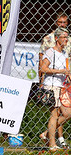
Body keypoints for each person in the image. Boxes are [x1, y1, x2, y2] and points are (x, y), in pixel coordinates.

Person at [39, 12, 71, 146]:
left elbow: (67, 69)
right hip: (51, 85)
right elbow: (43, 68)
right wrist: (60, 71)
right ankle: (52, 144)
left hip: (62, 85)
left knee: (67, 113)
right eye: (64, 38)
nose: (66, 40)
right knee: (55, 114)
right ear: (57, 38)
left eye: (67, 37)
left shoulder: (64, 53)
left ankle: (46, 134)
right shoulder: (50, 51)